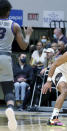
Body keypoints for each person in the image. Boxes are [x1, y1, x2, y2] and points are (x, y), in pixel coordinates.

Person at [0, 0, 33, 130]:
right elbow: (24, 46)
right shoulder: (15, 26)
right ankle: (10, 108)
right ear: (8, 12)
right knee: (8, 88)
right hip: (5, 57)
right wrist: (29, 35)